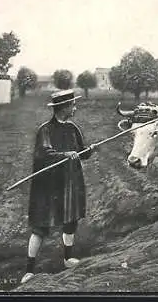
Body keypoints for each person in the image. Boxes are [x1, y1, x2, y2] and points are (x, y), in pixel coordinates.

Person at [21, 89, 98, 284]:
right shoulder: (45, 130)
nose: (75, 107)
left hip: (70, 182)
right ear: (63, 108)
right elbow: (45, 154)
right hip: (49, 184)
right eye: (72, 105)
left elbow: (81, 153)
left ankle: (67, 258)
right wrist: (65, 155)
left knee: (70, 220)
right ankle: (29, 270)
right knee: (40, 226)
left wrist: (89, 150)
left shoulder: (73, 128)